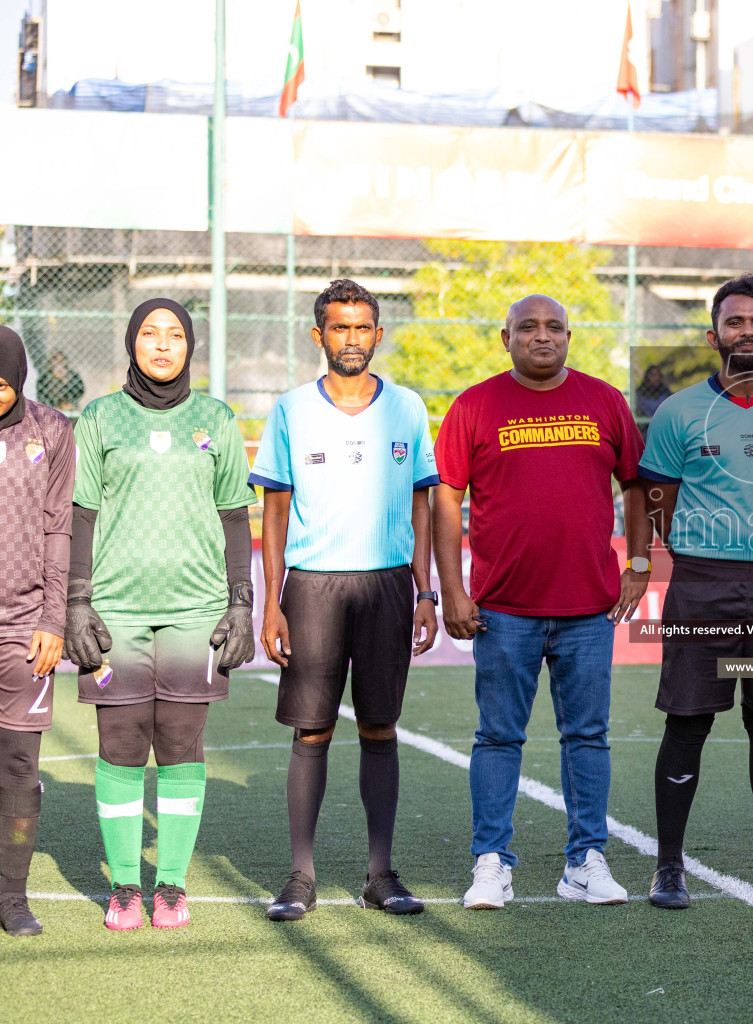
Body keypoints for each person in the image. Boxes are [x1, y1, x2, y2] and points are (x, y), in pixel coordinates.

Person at [435, 293, 648, 910]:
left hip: (589, 608)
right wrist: (453, 588)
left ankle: (585, 861)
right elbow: (447, 500)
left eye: (554, 326)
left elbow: (637, 485)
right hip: (503, 609)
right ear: (505, 338)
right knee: (498, 737)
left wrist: (639, 561)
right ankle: (491, 863)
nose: (542, 336)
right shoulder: (474, 406)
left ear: (569, 336)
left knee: (588, 736)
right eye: (527, 327)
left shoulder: (605, 401)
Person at [250, 280, 440, 921]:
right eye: (340, 328)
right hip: (312, 586)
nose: (352, 339)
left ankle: (380, 874)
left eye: (363, 328)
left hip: (388, 584)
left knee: (380, 727)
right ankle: (300, 875)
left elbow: (422, 501)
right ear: (319, 336)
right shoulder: (290, 409)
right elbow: (273, 510)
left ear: (378, 335)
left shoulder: (409, 408)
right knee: (313, 729)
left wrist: (425, 591)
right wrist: (271, 603)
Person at [64, 299, 257, 930]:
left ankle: (170, 884)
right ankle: (124, 887)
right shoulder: (98, 418)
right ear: (131, 342)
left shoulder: (216, 419)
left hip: (196, 610)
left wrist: (241, 601)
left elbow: (234, 513)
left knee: (181, 743)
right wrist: (77, 600)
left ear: (190, 346)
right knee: (119, 744)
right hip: (115, 610)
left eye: (175, 335)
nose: (163, 344)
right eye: (150, 333)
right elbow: (80, 514)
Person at [640, 274, 753, 909]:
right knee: (686, 723)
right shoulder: (678, 411)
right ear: (714, 333)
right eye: (734, 321)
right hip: (701, 587)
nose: (747, 331)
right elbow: (657, 503)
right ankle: (668, 867)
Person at [0, 328, 74, 936]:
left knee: (21, 764)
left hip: (24, 626)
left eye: (3, 383)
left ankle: (12, 898)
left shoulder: (50, 430)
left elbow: (58, 530)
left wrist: (53, 619)